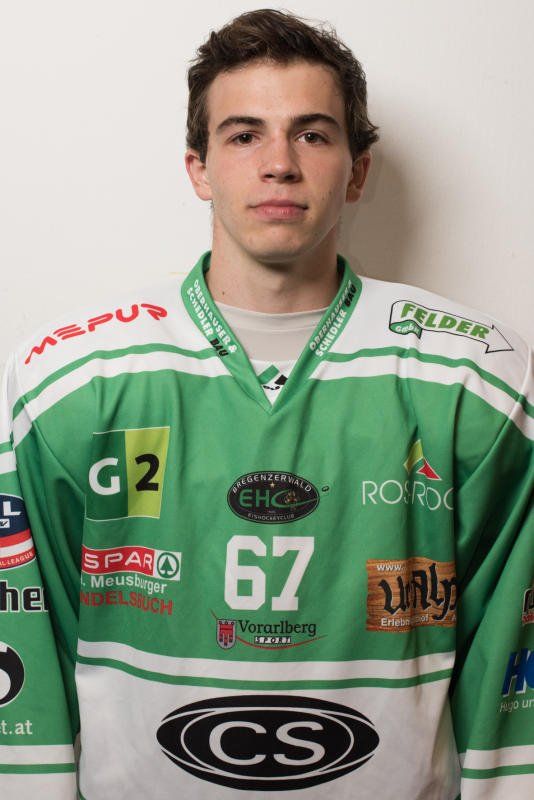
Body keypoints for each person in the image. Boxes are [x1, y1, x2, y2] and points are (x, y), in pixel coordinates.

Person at [0, 8, 532, 799]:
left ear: (358, 171)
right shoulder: (70, 377)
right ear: (199, 169)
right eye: (244, 135)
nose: (279, 164)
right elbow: (24, 651)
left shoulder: (474, 377)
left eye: (312, 134)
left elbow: (513, 663)